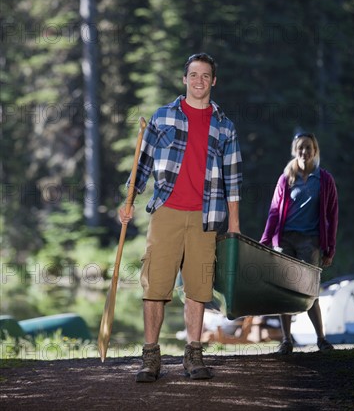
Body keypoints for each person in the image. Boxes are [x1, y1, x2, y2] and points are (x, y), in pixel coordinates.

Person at [119, 53, 242, 382]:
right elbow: (142, 163)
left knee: (199, 289)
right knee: (155, 286)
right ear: (184, 79)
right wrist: (129, 201)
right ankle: (150, 357)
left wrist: (234, 224)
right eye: (193, 74)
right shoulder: (163, 118)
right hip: (166, 212)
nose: (199, 81)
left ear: (213, 81)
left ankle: (193, 356)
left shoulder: (225, 127)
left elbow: (233, 181)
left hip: (206, 217)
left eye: (205, 76)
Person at [260, 132, 338, 354]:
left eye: (309, 148)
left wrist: (330, 248)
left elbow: (333, 215)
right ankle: (286, 340)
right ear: (296, 150)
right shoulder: (286, 177)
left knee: (309, 289)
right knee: (283, 289)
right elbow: (274, 211)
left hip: (311, 242)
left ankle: (321, 339)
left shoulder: (324, 179)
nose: (304, 152)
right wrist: (266, 240)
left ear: (315, 151)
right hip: (284, 240)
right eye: (301, 148)